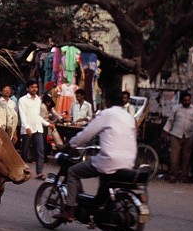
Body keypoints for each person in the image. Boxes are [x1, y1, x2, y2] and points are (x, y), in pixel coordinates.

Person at [58, 89, 137, 222]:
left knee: (72, 172)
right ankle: (98, 210)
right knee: (104, 183)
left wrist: (70, 145)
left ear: (107, 101)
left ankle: (69, 210)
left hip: (109, 160)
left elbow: (87, 134)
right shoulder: (128, 116)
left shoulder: (107, 114)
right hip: (129, 161)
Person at [163, 92, 193, 183]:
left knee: (186, 156)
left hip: (189, 135)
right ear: (181, 100)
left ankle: (184, 175)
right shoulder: (176, 108)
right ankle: (173, 175)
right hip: (176, 134)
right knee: (174, 156)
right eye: (185, 100)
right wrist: (166, 131)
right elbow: (170, 121)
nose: (187, 102)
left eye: (188, 100)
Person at [18, 79, 50, 179]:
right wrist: (26, 126)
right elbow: (22, 114)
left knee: (40, 150)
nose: (34, 89)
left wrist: (47, 123)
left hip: (37, 128)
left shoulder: (38, 100)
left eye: (36, 87)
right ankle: (22, 170)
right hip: (27, 128)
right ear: (28, 88)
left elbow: (38, 115)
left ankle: (39, 172)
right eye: (32, 87)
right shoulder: (22, 100)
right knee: (25, 150)